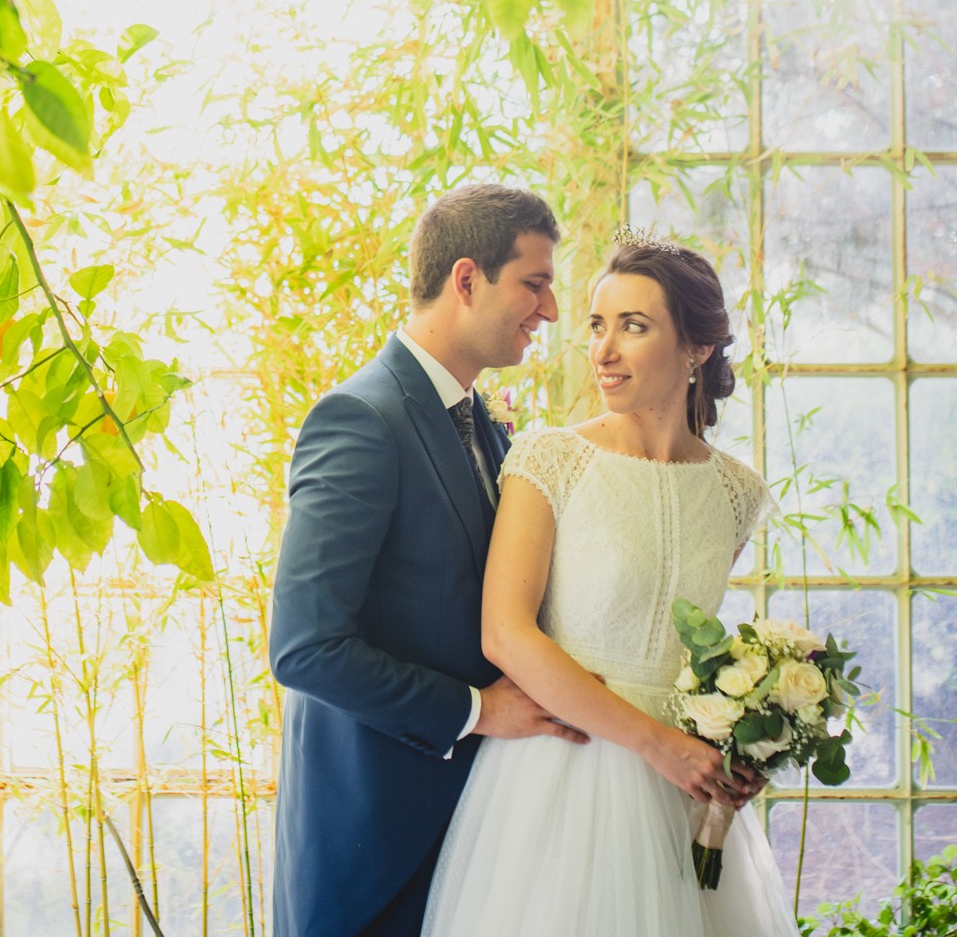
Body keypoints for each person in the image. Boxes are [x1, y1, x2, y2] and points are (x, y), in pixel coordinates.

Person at [419, 233, 797, 935]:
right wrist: (658, 745)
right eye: (598, 324)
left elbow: (700, 660)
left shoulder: (737, 491)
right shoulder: (548, 457)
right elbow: (505, 634)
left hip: (685, 789)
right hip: (564, 777)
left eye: (634, 326)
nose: (603, 349)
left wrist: (745, 743)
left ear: (697, 348)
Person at [269, 184, 586, 937]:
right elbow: (305, 647)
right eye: (534, 284)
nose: (550, 310)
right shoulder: (359, 419)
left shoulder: (491, 427)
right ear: (467, 279)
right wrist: (479, 710)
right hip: (375, 846)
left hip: (479, 839)